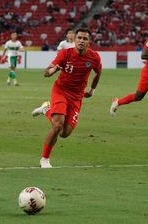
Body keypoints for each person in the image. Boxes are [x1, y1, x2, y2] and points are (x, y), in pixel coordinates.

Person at [31, 28, 102, 168]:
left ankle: (46, 109)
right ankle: (45, 159)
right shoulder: (65, 54)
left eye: (85, 39)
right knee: (57, 126)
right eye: (79, 38)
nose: (81, 41)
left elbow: (98, 72)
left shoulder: (94, 57)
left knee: (64, 133)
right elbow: (50, 69)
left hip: (77, 96)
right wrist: (51, 71)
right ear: (75, 40)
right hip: (60, 91)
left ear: (89, 42)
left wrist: (92, 90)